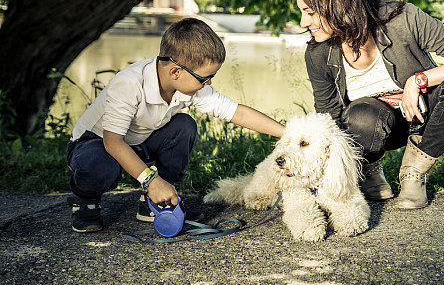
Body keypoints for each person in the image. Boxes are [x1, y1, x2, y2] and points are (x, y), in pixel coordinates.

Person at [288, 0, 444, 209]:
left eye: (310, 12)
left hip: (422, 116)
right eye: (302, 12)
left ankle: (414, 173)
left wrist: (418, 81)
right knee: (360, 116)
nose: (303, 23)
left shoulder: (401, 18)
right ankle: (368, 168)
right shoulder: (318, 53)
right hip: (371, 126)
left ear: (336, 5)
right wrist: (320, 178)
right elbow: (329, 121)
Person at [66, 18, 285, 232]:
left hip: (138, 141)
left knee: (184, 126)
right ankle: (86, 201)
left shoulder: (188, 82)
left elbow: (237, 113)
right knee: (99, 163)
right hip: (94, 144)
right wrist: (151, 180)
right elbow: (112, 142)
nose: (209, 83)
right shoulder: (129, 84)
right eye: (205, 78)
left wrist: (289, 133)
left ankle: (156, 202)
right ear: (175, 71)